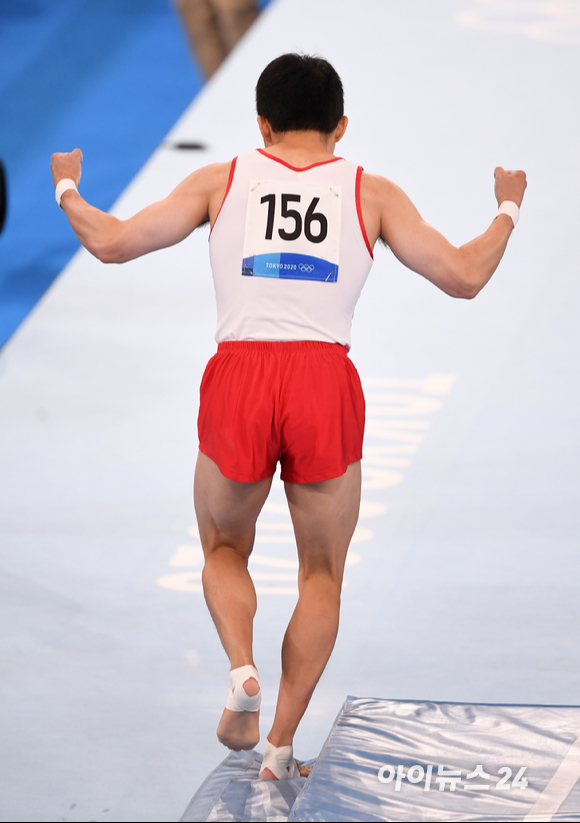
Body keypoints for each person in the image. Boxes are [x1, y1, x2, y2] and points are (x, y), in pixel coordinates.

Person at [50, 53, 527, 781]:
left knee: (223, 548)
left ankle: (241, 666)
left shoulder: (223, 179)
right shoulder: (372, 193)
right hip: (321, 380)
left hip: (240, 377)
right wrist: (507, 206)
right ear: (341, 127)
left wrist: (66, 184)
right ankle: (278, 743)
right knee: (322, 574)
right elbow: (463, 275)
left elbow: (112, 241)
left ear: (262, 124)